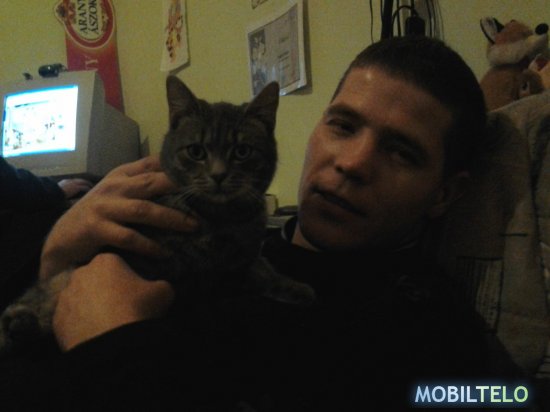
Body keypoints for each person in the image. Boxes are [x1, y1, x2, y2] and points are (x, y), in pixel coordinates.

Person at [0, 36, 521, 410]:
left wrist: (113, 344)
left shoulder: (435, 337)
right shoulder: (246, 244)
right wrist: (56, 260)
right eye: (343, 126)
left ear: (444, 193)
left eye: (401, 152)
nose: (352, 163)